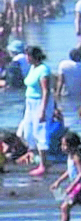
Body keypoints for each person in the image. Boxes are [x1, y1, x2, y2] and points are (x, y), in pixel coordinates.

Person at [18, 46, 51, 177]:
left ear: (33, 56)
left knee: (40, 131)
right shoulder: (33, 68)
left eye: (28, 56)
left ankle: (43, 164)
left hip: (40, 102)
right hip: (30, 102)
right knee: (27, 131)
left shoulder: (43, 70)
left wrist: (43, 109)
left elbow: (46, 90)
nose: (26, 58)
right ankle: (35, 155)